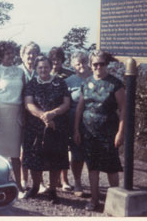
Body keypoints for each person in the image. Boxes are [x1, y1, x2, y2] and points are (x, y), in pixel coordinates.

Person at [73, 50, 125, 211]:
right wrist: (76, 130)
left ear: (106, 64)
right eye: (95, 64)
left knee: (111, 168)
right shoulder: (86, 82)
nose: (98, 67)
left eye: (101, 63)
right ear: (91, 65)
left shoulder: (115, 84)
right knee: (92, 167)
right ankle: (94, 201)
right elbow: (80, 108)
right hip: (88, 132)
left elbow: (124, 110)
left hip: (109, 131)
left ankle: (115, 203)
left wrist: (120, 133)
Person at [23, 56, 70, 204]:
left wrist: (52, 114)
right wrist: (44, 117)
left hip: (57, 126)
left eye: (46, 67)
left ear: (51, 67)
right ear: (36, 69)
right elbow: (28, 104)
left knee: (55, 158)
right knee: (35, 158)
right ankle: (35, 187)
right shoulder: (31, 84)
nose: (43, 70)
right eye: (40, 67)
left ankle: (52, 190)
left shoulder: (60, 82)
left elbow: (66, 103)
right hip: (35, 127)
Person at [0, 41, 25, 193]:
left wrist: (22, 114)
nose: (10, 55)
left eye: (11, 52)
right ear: (0, 56)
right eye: (6, 53)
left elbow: (23, 94)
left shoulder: (20, 72)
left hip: (15, 114)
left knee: (15, 152)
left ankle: (19, 184)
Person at [18, 42, 49, 194]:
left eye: (34, 53)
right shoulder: (16, 71)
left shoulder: (40, 71)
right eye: (28, 53)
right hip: (19, 113)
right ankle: (23, 180)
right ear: (22, 55)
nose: (31, 56)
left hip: (36, 115)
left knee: (38, 148)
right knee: (23, 148)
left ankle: (40, 181)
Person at [64, 51, 92, 197]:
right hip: (75, 122)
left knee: (93, 154)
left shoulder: (96, 78)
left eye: (83, 62)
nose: (81, 66)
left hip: (93, 122)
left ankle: (94, 184)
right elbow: (66, 104)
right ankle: (77, 182)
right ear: (73, 66)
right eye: (77, 63)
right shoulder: (69, 81)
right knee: (77, 154)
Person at [48, 46, 74, 192]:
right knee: (51, 149)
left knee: (64, 149)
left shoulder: (69, 75)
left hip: (64, 115)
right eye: (53, 60)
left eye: (58, 60)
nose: (55, 63)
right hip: (49, 116)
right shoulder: (44, 73)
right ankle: (54, 180)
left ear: (62, 60)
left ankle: (64, 179)